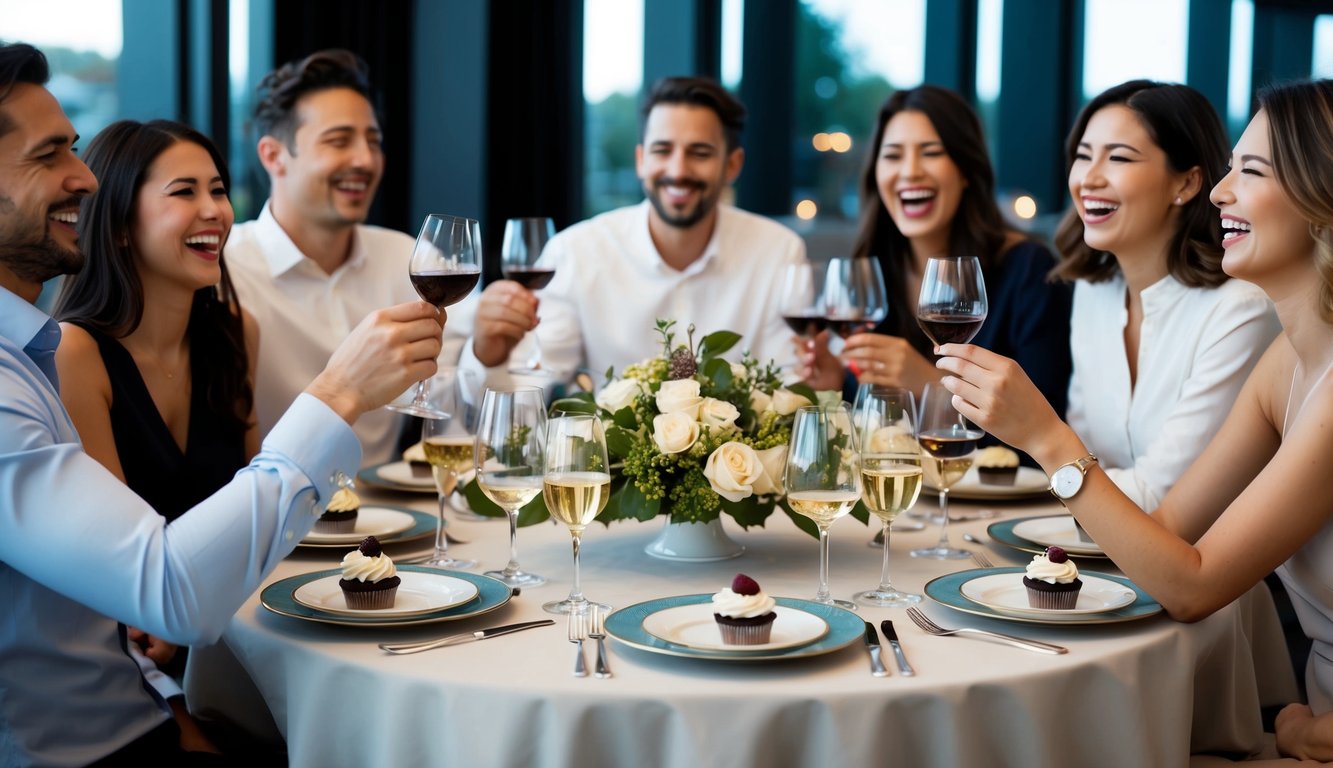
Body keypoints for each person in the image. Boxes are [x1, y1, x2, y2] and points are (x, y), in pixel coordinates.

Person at [0, 42, 444, 766]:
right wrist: (338, 393)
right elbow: (151, 594)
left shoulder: (50, 349)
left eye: (216, 189)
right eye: (50, 154)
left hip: (176, 666)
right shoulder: (61, 359)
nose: (81, 178)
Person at [937, 79, 1333, 759]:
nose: (1220, 192)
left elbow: (1192, 586)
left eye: (1252, 171)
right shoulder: (1282, 365)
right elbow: (1168, 529)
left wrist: (1045, 438)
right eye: (1230, 166)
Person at [50, 119, 254, 754]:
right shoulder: (75, 354)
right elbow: (115, 568)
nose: (214, 211)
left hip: (233, 625)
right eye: (184, 192)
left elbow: (252, 502)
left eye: (218, 190)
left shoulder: (234, 331)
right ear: (117, 224)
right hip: (132, 653)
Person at [462, 75, 807, 388]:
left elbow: (789, 386)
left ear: (732, 165)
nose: (678, 170)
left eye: (699, 153)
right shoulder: (576, 250)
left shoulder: (779, 251)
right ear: (641, 160)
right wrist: (489, 354)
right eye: (662, 150)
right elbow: (527, 393)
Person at [225, 48, 472, 465]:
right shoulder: (225, 268)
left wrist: (490, 351)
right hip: (273, 517)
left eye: (373, 142)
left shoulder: (408, 256)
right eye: (339, 141)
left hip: (389, 520)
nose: (365, 160)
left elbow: (451, 391)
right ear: (273, 156)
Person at [1051, 80, 1279, 510]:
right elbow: (1085, 459)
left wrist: (1040, 435)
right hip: (1093, 557)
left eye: (1118, 157)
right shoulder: (1094, 291)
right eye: (1082, 156)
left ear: (1188, 183)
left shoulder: (1240, 310)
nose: (1088, 178)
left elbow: (1161, 499)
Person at [800, 85, 1073, 419]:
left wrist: (928, 382)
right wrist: (836, 383)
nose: (910, 171)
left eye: (930, 152)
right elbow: (870, 422)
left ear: (966, 170)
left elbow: (1046, 427)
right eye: (893, 155)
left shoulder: (1028, 270)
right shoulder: (872, 272)